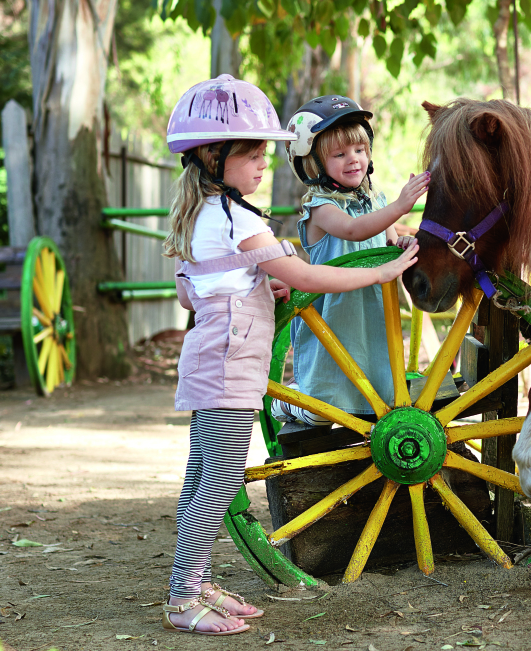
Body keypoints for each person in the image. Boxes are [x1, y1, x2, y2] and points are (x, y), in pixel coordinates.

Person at [160, 77, 419, 636]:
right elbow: (302, 274)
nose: (260, 166)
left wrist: (253, 281)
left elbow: (190, 290)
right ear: (213, 157)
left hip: (213, 353)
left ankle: (196, 579)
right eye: (251, 155)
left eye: (263, 154)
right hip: (231, 360)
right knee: (221, 477)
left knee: (203, 474)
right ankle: (184, 596)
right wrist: (379, 271)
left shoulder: (206, 214)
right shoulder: (239, 219)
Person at [272, 96, 428, 426]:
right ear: (314, 164)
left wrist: (400, 240)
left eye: (359, 149)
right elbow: (354, 229)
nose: (353, 159)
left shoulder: (377, 201)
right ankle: (288, 404)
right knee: (323, 411)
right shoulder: (321, 207)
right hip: (334, 313)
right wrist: (401, 205)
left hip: (372, 309)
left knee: (378, 394)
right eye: (339, 154)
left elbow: (384, 238)